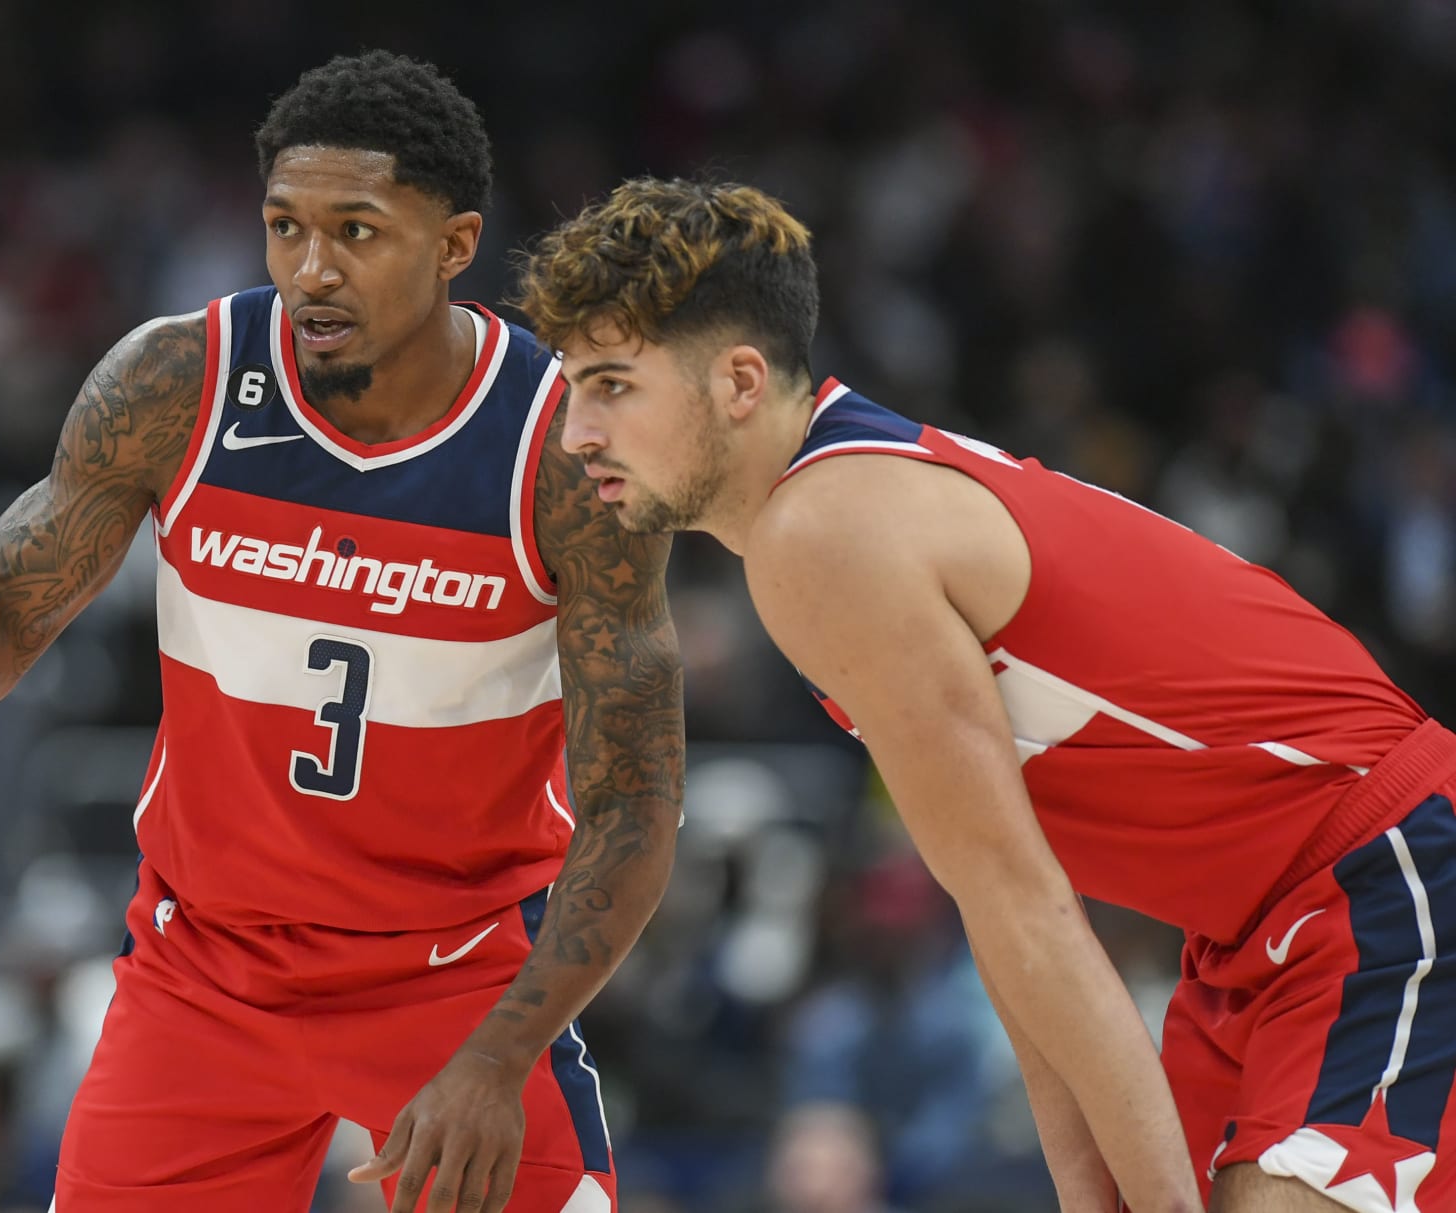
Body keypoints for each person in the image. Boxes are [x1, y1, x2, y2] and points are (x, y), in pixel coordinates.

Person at [0, 53, 685, 1213]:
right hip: (206, 968)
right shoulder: (179, 381)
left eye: (356, 232)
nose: (311, 269)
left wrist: (500, 1055)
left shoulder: (566, 443)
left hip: (456, 973)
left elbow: (637, 801)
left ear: (456, 243)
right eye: (284, 228)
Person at [512, 177, 1456, 1213]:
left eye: (611, 384)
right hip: (1257, 929)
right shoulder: (841, 498)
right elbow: (1002, 906)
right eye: (571, 386)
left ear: (740, 379)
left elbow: (1028, 909)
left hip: (1383, 870)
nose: (575, 434)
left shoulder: (823, 533)